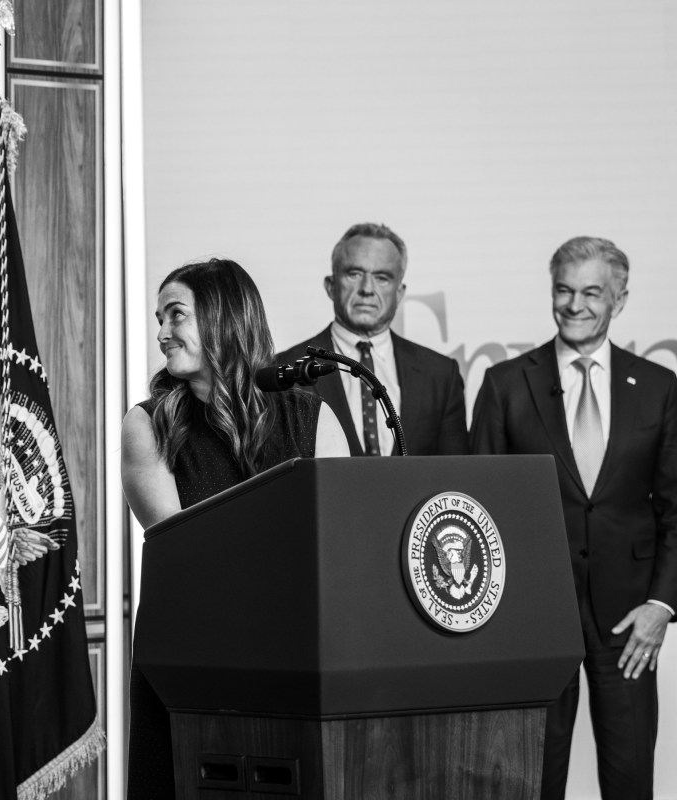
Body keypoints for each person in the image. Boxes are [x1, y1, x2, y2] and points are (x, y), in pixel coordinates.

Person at [121, 258, 349, 798]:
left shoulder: (311, 416)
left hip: (294, 661)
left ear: (224, 317)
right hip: (189, 665)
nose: (161, 333)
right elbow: (186, 555)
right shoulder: (148, 424)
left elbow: (342, 541)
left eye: (176, 315)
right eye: (159, 318)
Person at [470, 236, 677, 799]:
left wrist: (661, 606)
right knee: (530, 780)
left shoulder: (659, 389)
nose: (575, 304)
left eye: (592, 292)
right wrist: (500, 615)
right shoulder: (505, 384)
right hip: (534, 616)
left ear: (620, 299)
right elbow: (477, 509)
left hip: (630, 623)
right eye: (564, 289)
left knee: (631, 779)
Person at [275, 222, 468, 456]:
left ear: (400, 292)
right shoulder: (284, 369)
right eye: (354, 274)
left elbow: (456, 477)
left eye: (382, 277)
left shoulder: (440, 375)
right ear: (330, 286)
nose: (367, 288)